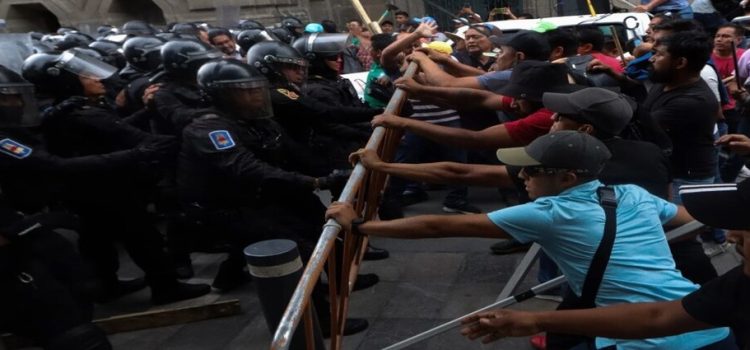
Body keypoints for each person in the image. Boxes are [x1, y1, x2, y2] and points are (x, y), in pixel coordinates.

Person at [327, 130, 732, 349]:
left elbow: (437, 226)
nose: (522, 178)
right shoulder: (630, 193)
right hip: (703, 322)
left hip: (653, 341)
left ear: (567, 179)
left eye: (531, 171)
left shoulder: (549, 212)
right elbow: (688, 216)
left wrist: (360, 226)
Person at [460, 141, 750, 348]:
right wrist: (536, 320)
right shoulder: (737, 283)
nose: (732, 235)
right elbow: (657, 316)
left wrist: (537, 320)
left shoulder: (554, 211)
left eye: (746, 228)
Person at [177, 58, 370, 335]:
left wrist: (335, 171)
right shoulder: (207, 130)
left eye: (257, 88)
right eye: (245, 90)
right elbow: (247, 169)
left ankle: (337, 279)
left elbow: (294, 154)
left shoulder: (259, 122)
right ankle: (316, 321)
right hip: (229, 206)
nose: (257, 95)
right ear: (220, 95)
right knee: (296, 249)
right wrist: (314, 181)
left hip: (261, 195)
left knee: (320, 217)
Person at [22, 51, 211, 305]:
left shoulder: (61, 111)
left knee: (98, 239)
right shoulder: (83, 113)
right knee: (143, 238)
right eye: (85, 76)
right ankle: (165, 286)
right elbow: (128, 136)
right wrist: (164, 144)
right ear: (66, 82)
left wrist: (146, 111)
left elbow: (113, 128)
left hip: (83, 190)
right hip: (110, 187)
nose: (96, 79)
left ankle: (106, 285)